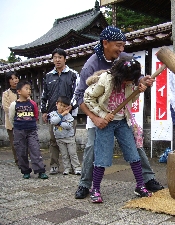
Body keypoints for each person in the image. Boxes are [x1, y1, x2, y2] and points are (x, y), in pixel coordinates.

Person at [74, 26, 163, 199]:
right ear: (105, 43)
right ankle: (85, 184)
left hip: (121, 115)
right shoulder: (91, 65)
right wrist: (95, 118)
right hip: (98, 113)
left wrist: (142, 81)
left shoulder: (123, 58)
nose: (122, 49)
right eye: (119, 45)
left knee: (135, 147)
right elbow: (81, 97)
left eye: (123, 45)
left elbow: (135, 78)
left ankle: (147, 179)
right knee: (93, 147)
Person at [84, 56, 152, 203]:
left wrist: (138, 90)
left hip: (122, 121)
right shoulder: (105, 80)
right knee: (102, 157)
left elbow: (129, 100)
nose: (129, 83)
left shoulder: (130, 82)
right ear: (121, 76)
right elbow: (88, 97)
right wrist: (102, 115)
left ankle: (140, 185)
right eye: (128, 80)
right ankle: (95, 189)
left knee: (133, 153)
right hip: (106, 123)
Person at [41, 48, 79, 174]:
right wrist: (44, 111)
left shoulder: (73, 74)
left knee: (70, 140)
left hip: (69, 114)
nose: (57, 60)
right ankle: (54, 165)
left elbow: (78, 93)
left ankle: (73, 167)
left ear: (65, 59)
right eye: (55, 57)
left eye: (60, 57)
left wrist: (71, 107)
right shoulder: (48, 76)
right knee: (53, 140)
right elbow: (44, 95)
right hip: (53, 114)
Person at [8, 81, 48, 179]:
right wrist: (17, 127)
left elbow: (35, 115)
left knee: (35, 149)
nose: (29, 91)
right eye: (26, 89)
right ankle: (25, 171)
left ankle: (40, 170)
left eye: (30, 89)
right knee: (21, 151)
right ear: (19, 91)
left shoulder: (32, 103)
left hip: (32, 130)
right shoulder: (14, 104)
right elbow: (11, 117)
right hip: (19, 131)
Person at [48, 96, 81, 175]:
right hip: (59, 138)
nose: (62, 107)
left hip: (69, 138)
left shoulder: (69, 116)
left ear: (68, 107)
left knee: (72, 153)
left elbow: (68, 125)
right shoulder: (53, 114)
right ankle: (67, 168)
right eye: (61, 105)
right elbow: (53, 121)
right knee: (64, 154)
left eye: (65, 106)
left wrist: (59, 123)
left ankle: (77, 168)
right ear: (57, 104)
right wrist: (62, 115)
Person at [2, 71, 19, 165]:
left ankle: (28, 159)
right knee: (14, 143)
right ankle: (18, 161)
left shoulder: (23, 90)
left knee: (25, 142)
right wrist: (17, 114)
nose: (15, 80)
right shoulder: (6, 94)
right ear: (8, 81)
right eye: (12, 79)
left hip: (24, 121)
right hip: (11, 122)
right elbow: (6, 108)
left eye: (16, 78)